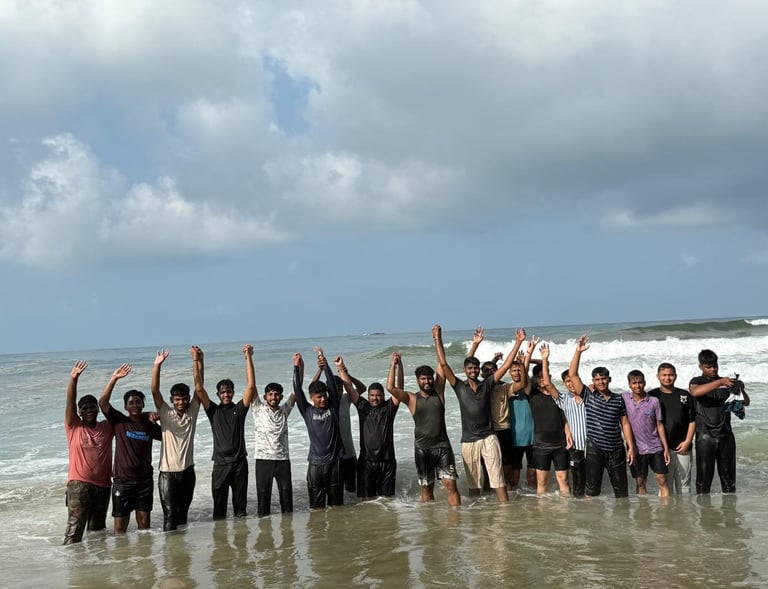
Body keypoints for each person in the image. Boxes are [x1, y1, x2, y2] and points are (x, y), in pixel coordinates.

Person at [434, 324, 526, 502]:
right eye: (470, 368)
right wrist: (438, 338)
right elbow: (443, 364)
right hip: (469, 441)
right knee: (474, 484)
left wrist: (518, 342)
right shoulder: (459, 387)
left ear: (479, 370)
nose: (473, 371)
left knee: (498, 479)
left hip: (489, 437)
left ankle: (505, 511)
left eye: (476, 368)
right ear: (465, 371)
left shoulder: (487, 385)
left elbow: (506, 365)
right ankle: (477, 514)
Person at [386, 351, 460, 506]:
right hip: (422, 449)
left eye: (429, 378)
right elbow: (391, 387)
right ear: (418, 380)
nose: (427, 381)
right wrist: (395, 364)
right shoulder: (412, 399)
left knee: (451, 485)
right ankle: (429, 519)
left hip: (443, 447)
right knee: (427, 488)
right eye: (423, 378)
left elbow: (442, 363)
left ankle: (456, 518)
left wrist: (437, 339)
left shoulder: (439, 392)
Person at [192, 345, 256, 519]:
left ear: (233, 393)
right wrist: (197, 360)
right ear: (218, 395)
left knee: (240, 510)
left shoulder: (239, 409)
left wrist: (248, 357)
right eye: (223, 392)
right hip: (220, 465)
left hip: (240, 464)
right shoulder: (213, 410)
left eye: (229, 392)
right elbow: (199, 389)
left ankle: (240, 536)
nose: (226, 395)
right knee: (219, 511)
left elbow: (251, 387)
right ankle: (220, 537)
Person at [568, 335, 636, 498]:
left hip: (617, 448)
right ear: (593, 381)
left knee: (621, 492)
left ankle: (622, 515)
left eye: (603, 379)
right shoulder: (588, 396)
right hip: (595, 447)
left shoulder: (619, 399)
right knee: (592, 491)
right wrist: (578, 352)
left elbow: (625, 424)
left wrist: (631, 447)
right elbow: (573, 374)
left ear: (609, 379)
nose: (600, 382)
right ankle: (594, 516)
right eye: (597, 379)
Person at [99, 364, 161, 533]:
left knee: (145, 528)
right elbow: (102, 402)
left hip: (144, 481)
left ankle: (144, 551)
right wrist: (114, 378)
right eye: (131, 403)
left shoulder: (149, 425)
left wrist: (154, 415)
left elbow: (168, 436)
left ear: (143, 404)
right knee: (120, 529)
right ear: (125, 407)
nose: (135, 405)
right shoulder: (119, 421)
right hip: (122, 482)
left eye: (138, 402)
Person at [470, 328, 531, 490]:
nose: (490, 373)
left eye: (493, 371)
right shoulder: (478, 388)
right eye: (486, 371)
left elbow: (522, 383)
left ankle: (509, 496)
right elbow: (469, 366)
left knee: (506, 467)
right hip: (484, 432)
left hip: (503, 430)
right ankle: (488, 499)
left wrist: (520, 350)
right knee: (486, 469)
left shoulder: (504, 387)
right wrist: (475, 345)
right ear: (482, 374)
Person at [334, 354, 401, 499]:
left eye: (378, 395)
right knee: (367, 502)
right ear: (368, 396)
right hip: (366, 462)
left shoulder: (389, 408)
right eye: (372, 395)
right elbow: (349, 387)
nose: (374, 398)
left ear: (383, 396)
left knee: (387, 501)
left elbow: (398, 389)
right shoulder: (363, 407)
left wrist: (395, 366)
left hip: (387, 461)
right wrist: (341, 368)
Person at [63, 360, 114, 544]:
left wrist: (149, 415)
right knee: (74, 530)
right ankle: (70, 560)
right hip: (79, 485)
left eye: (92, 407)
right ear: (79, 412)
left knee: (98, 532)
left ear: (98, 410)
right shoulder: (74, 426)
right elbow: (70, 400)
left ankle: (93, 562)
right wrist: (74, 379)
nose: (89, 410)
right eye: (84, 408)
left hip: (103, 486)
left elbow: (128, 420)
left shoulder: (107, 427)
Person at [151, 349, 200, 531]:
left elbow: (199, 387)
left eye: (184, 399)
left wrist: (196, 361)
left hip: (188, 472)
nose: (181, 402)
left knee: (182, 516)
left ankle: (182, 549)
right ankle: (169, 548)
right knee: (170, 518)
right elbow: (154, 390)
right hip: (167, 475)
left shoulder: (192, 411)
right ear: (172, 400)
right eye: (177, 399)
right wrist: (157, 365)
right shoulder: (165, 412)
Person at [689, 349, 750, 494]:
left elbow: (746, 402)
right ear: (700, 367)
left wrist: (741, 389)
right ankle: (704, 508)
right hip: (705, 437)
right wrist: (720, 382)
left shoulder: (727, 383)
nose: (713, 369)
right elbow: (695, 392)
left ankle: (729, 508)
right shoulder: (697, 381)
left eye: (715, 366)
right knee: (703, 483)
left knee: (729, 483)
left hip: (726, 435)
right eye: (708, 367)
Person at [294, 347, 345, 509]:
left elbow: (332, 385)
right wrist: (296, 367)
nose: (323, 399)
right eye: (319, 397)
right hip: (315, 465)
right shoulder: (307, 411)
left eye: (325, 395)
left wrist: (325, 364)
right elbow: (297, 389)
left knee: (337, 506)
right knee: (316, 508)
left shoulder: (333, 407)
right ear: (312, 398)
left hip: (335, 463)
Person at [251, 353, 296, 517]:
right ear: (265, 397)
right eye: (270, 394)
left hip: (283, 459)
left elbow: (297, 390)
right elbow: (251, 385)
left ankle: (288, 528)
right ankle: (264, 530)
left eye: (276, 394)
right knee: (263, 499)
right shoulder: (258, 408)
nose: (273, 397)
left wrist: (298, 366)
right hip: (263, 460)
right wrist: (248, 357)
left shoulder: (285, 410)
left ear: (281, 397)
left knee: (287, 498)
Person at [528, 343, 572, 495]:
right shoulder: (532, 395)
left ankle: (566, 507)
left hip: (560, 444)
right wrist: (538, 357)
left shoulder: (557, 396)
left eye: (544, 376)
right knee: (542, 481)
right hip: (541, 444)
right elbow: (525, 373)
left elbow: (564, 418)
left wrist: (568, 433)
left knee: (563, 479)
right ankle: (542, 509)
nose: (542, 379)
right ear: (534, 379)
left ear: (550, 377)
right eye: (538, 377)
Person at [311, 359, 357, 495]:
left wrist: (347, 375)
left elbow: (361, 389)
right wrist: (320, 370)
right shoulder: (325, 403)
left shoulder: (346, 399)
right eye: (335, 389)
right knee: (335, 489)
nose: (338, 392)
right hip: (334, 455)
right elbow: (312, 388)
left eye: (340, 389)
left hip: (349, 451)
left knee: (351, 488)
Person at [648, 362, 695, 494]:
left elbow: (692, 421)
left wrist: (687, 442)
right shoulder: (652, 396)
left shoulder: (684, 395)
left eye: (670, 375)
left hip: (683, 447)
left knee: (684, 486)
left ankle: (684, 508)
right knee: (665, 486)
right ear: (658, 376)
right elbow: (646, 418)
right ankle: (667, 508)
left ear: (675, 376)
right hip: (660, 448)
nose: (667, 378)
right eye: (664, 375)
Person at [621, 370, 671, 496]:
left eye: (640, 382)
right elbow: (607, 394)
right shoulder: (624, 399)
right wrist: (592, 387)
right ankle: (643, 508)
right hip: (637, 450)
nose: (637, 386)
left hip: (655, 447)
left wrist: (665, 448)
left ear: (644, 382)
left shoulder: (654, 401)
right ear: (629, 384)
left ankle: (666, 507)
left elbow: (659, 425)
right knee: (640, 483)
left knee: (662, 480)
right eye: (634, 383)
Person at [551, 366, 587, 497]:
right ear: (564, 384)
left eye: (572, 380)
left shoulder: (589, 396)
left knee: (592, 481)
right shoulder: (564, 399)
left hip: (593, 447)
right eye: (567, 381)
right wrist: (544, 360)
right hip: (575, 447)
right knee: (578, 481)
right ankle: (579, 505)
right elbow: (549, 385)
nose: (571, 384)